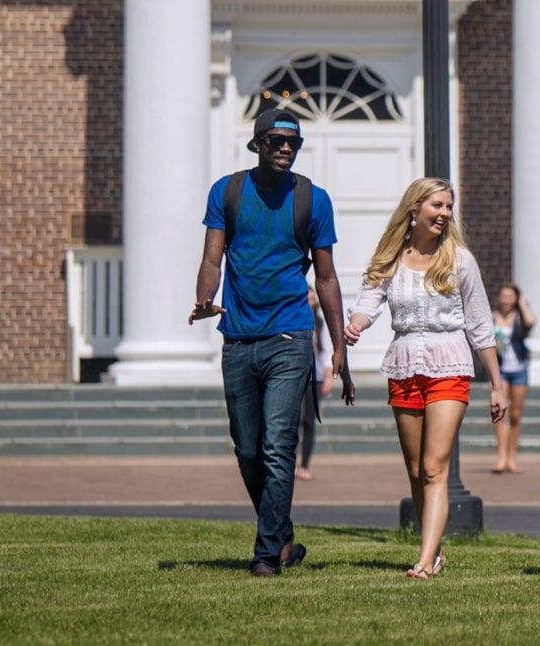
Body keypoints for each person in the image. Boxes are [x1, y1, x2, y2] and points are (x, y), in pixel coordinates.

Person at [189, 108, 354, 577]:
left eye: (294, 143)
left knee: (279, 445)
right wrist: (205, 298)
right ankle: (282, 539)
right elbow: (211, 258)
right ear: (258, 143)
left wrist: (338, 345)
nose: (286, 149)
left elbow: (326, 276)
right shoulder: (228, 191)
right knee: (247, 448)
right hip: (238, 337)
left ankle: (265, 556)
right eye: (278, 141)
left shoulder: (312, 200)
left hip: (290, 335)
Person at [344, 177, 507, 581]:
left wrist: (497, 383)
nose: (445, 214)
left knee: (436, 468)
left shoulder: (460, 260)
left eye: (449, 207)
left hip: (449, 364)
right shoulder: (392, 257)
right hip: (403, 366)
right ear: (414, 209)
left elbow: (480, 324)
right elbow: (370, 297)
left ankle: (425, 559)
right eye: (438, 205)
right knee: (417, 469)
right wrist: (357, 325)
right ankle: (433, 550)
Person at [491, 284, 536, 474]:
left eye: (511, 296)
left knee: (515, 415)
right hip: (500, 370)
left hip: (519, 369)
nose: (507, 299)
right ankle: (501, 458)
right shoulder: (492, 317)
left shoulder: (519, 317)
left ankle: (512, 458)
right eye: (504, 295)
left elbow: (531, 322)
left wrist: (523, 304)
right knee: (501, 413)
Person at [296, 286, 335, 482]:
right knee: (292, 421)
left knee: (309, 421)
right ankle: (287, 463)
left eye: (313, 300)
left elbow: (327, 351)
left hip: (316, 377)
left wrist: (329, 377)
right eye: (307, 300)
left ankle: (304, 465)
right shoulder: (293, 322)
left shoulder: (321, 324)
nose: (311, 303)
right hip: (295, 376)